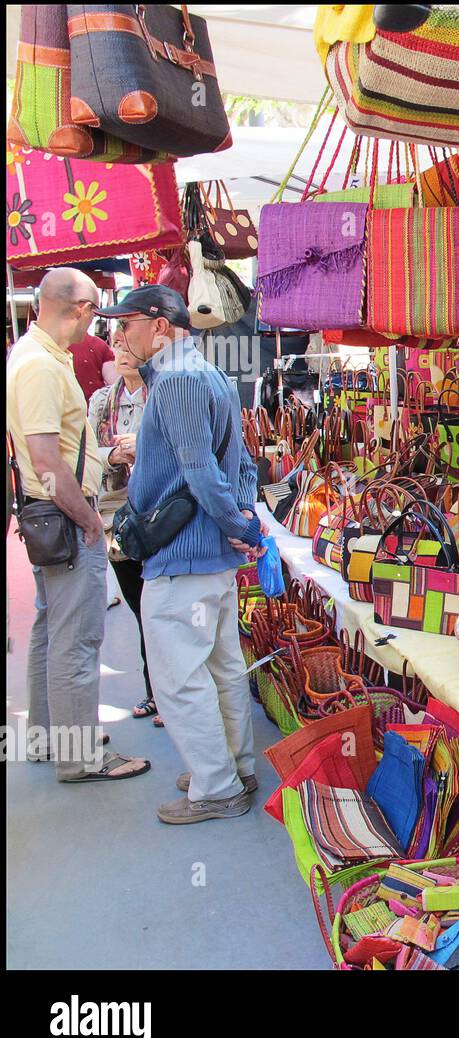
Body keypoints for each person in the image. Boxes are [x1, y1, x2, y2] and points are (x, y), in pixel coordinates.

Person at [96, 285, 266, 825]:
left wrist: (237, 524)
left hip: (184, 557)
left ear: (160, 327)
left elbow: (202, 471)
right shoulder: (204, 374)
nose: (119, 336)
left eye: (126, 325)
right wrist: (238, 525)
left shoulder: (177, 381)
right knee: (219, 670)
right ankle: (230, 769)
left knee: (180, 678)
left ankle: (218, 784)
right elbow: (236, 464)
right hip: (205, 557)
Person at [6, 268, 151, 782]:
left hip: (53, 515)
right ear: (82, 310)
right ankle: (80, 754)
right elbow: (46, 458)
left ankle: (56, 735)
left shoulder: (35, 357)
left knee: (53, 630)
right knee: (77, 637)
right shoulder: (41, 367)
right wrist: (89, 519)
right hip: (67, 515)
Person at [87, 329, 158, 724]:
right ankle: (156, 690)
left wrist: (143, 447)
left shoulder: (162, 395)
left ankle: (165, 693)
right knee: (139, 607)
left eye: (129, 345)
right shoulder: (102, 402)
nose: (123, 353)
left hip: (161, 518)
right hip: (120, 520)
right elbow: (84, 457)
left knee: (161, 608)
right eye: (116, 347)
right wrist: (113, 453)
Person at [70, 328, 119, 401]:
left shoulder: (98, 345)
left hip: (90, 407)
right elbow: (116, 385)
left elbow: (115, 384)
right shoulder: (98, 344)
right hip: (93, 406)